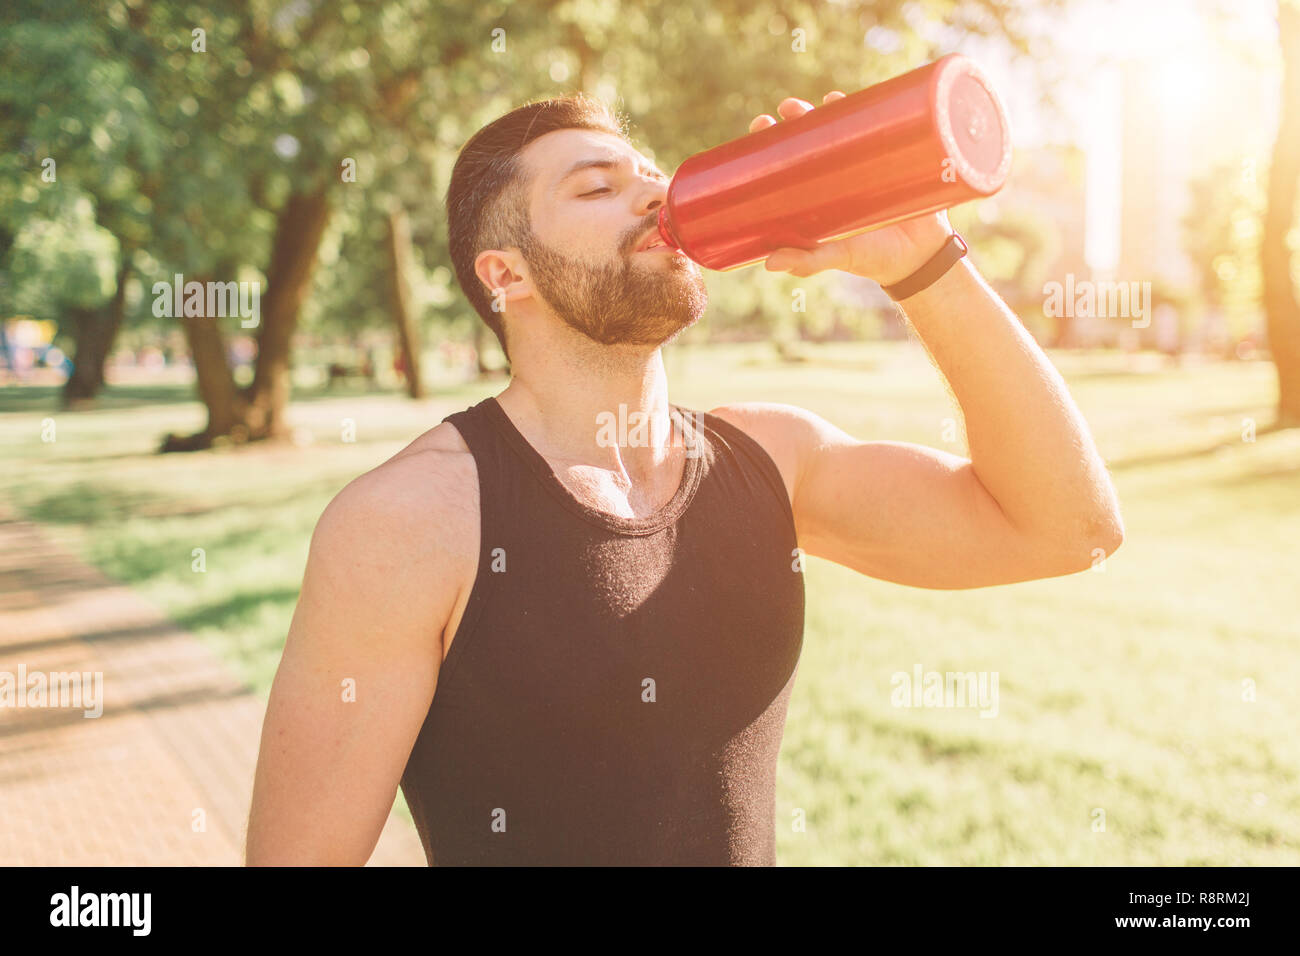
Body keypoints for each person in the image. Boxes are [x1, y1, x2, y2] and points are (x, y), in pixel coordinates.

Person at [245, 91, 1124, 866]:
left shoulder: (775, 460)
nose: (655, 194)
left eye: (652, 175)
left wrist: (922, 262)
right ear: (505, 274)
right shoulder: (408, 520)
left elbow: (1067, 528)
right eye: (595, 188)